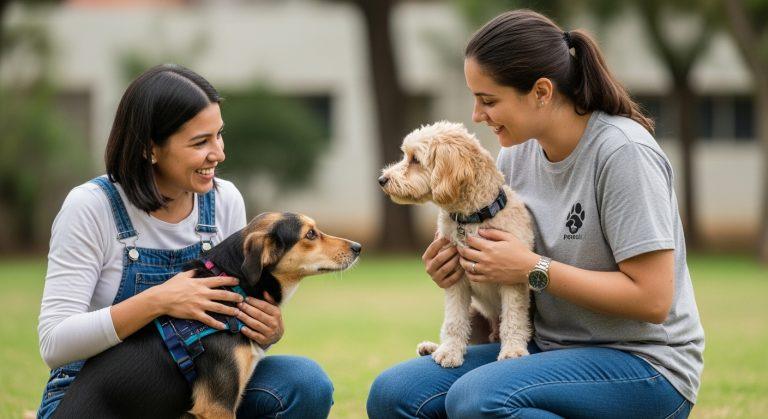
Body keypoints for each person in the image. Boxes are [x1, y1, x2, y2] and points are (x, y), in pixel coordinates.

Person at [367, 9, 703, 418]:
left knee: (477, 400)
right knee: (394, 394)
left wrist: (531, 268)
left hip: (644, 365)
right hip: (546, 348)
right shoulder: (516, 152)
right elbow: (506, 280)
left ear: (542, 92)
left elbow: (653, 299)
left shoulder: (622, 154)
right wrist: (466, 274)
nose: (477, 116)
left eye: (488, 100)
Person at [36, 64, 333, 418]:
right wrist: (159, 300)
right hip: (97, 400)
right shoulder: (91, 207)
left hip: (196, 391)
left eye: (219, 135)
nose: (219, 153)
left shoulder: (224, 201)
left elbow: (227, 339)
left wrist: (265, 329)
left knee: (305, 382)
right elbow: (54, 343)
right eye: (200, 142)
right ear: (150, 149)